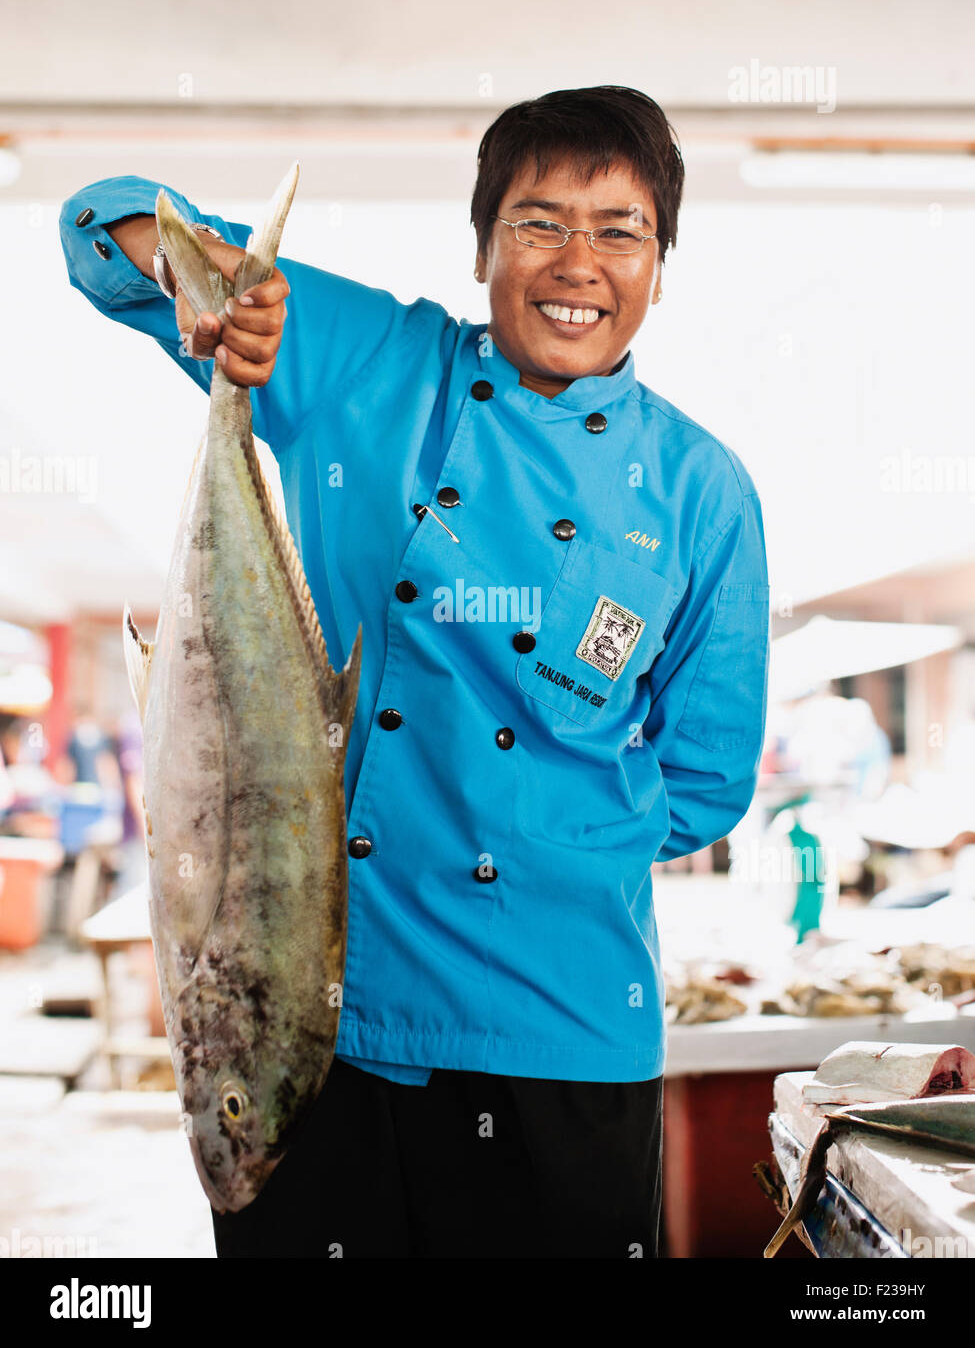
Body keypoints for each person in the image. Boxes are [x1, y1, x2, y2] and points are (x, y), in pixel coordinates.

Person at [59, 86, 770, 1258]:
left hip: (564, 1036)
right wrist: (207, 283)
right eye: (538, 222)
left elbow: (705, 784)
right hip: (318, 1028)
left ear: (662, 262)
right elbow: (100, 229)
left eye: (620, 230)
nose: (575, 262)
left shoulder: (705, 491)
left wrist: (519, 832)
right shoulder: (370, 366)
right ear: (485, 244)